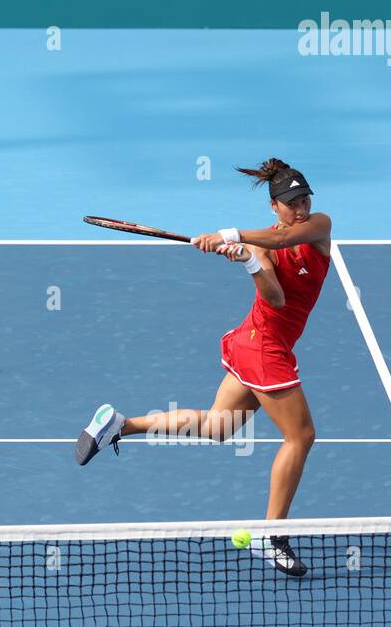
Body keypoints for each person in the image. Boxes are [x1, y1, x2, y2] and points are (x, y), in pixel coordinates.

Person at [75, 159, 331, 576]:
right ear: (274, 207)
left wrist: (234, 236)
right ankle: (273, 536)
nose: (300, 208)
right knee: (301, 436)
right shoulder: (262, 248)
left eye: (303, 199)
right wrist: (249, 261)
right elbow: (277, 299)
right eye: (290, 203)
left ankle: (121, 425)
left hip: (256, 345)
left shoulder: (319, 225)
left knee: (218, 426)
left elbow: (296, 236)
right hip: (264, 347)